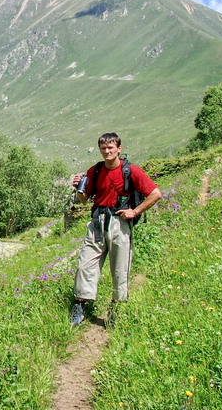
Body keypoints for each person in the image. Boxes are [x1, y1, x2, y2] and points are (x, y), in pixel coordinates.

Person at [69, 132, 162, 326]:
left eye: (111, 147)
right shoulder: (95, 170)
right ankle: (80, 305)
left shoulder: (131, 171)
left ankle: (117, 308)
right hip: (97, 221)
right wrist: (78, 189)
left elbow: (155, 193)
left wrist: (135, 211)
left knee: (120, 268)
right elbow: (85, 198)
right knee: (85, 264)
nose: (107, 151)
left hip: (120, 222)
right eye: (103, 148)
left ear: (119, 149)